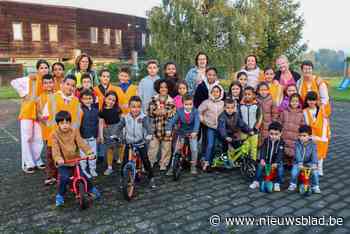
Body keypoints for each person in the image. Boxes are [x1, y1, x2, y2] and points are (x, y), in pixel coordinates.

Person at [52, 111, 100, 207]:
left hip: (75, 161)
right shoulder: (55, 134)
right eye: (62, 123)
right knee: (64, 178)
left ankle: (91, 189)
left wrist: (89, 152)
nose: (65, 125)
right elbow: (55, 149)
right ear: (58, 124)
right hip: (64, 162)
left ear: (70, 123)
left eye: (67, 123)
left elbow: (81, 143)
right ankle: (60, 195)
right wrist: (58, 158)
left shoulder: (74, 131)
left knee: (83, 176)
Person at [10, 59, 49, 173]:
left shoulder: (47, 81)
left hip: (40, 113)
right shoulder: (31, 78)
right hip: (27, 112)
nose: (44, 70)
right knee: (27, 138)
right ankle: (28, 163)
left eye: (46, 67)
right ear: (37, 69)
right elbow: (14, 82)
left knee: (38, 138)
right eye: (41, 68)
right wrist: (24, 94)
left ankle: (37, 160)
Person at [111, 96, 156, 188]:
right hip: (129, 143)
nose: (136, 109)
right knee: (124, 162)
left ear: (141, 107)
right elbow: (119, 127)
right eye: (133, 106)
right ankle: (123, 178)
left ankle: (151, 178)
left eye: (138, 107)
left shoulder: (143, 117)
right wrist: (115, 134)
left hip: (141, 142)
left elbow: (148, 128)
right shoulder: (125, 117)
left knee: (146, 161)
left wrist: (149, 135)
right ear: (129, 107)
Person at [166, 94, 200, 175]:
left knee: (194, 149)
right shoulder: (179, 111)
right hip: (181, 132)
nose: (188, 106)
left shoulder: (195, 111)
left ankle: (193, 166)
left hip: (192, 133)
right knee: (176, 150)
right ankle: (171, 167)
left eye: (190, 104)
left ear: (193, 104)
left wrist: (195, 131)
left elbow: (197, 122)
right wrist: (168, 129)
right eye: (186, 104)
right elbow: (172, 120)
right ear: (182, 104)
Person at [147, 79, 176, 171]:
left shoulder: (171, 101)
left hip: (167, 129)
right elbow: (150, 112)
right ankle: (150, 162)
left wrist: (162, 112)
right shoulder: (153, 99)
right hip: (155, 128)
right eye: (161, 87)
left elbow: (172, 114)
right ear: (158, 88)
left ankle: (163, 163)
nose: (163, 89)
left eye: (165, 87)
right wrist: (158, 112)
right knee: (152, 147)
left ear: (169, 89)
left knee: (166, 147)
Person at [249, 121, 285, 192]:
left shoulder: (281, 143)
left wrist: (276, 162)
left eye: (276, 134)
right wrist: (262, 159)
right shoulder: (266, 141)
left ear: (280, 134)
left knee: (280, 168)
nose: (273, 136)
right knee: (259, 166)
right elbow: (263, 150)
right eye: (271, 134)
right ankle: (256, 181)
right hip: (267, 160)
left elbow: (280, 154)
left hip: (276, 162)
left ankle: (278, 182)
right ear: (268, 133)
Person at [303, 91, 330, 176]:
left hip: (322, 134)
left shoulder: (321, 109)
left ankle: (320, 168)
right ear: (306, 101)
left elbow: (326, 120)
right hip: (311, 134)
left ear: (316, 101)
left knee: (321, 153)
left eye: (313, 100)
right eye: (309, 100)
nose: (311, 102)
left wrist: (328, 132)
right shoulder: (304, 111)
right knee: (312, 151)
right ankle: (313, 166)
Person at [198, 85, 225, 171]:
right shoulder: (207, 102)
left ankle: (217, 162)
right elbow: (199, 111)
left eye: (217, 91)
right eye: (213, 91)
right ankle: (206, 162)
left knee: (219, 145)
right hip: (210, 127)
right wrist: (203, 120)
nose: (215, 93)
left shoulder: (223, 103)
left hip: (220, 128)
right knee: (210, 144)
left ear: (220, 93)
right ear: (211, 92)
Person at [287, 125, 321, 194]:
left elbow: (314, 154)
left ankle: (315, 186)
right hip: (298, 162)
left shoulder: (313, 144)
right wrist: (299, 162)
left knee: (315, 172)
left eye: (304, 136)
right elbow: (297, 153)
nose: (301, 138)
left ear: (309, 136)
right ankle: (293, 183)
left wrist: (314, 163)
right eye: (300, 136)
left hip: (309, 162)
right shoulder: (297, 144)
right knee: (294, 172)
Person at [36, 74, 57, 184]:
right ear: (42, 85)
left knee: (59, 153)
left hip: (58, 130)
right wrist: (45, 122)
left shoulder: (58, 95)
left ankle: (59, 174)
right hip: (47, 130)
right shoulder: (39, 98)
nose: (48, 85)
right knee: (49, 154)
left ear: (54, 83)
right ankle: (50, 176)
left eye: (50, 82)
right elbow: (39, 114)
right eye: (46, 83)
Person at [98, 91, 122, 175]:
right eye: (109, 99)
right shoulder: (102, 111)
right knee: (110, 148)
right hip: (108, 131)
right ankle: (109, 167)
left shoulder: (118, 109)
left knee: (120, 146)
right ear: (105, 99)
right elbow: (101, 123)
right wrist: (101, 135)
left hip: (118, 129)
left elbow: (121, 120)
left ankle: (120, 160)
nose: (111, 101)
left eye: (113, 100)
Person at [279, 94, 305, 167]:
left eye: (296, 101)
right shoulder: (284, 112)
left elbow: (302, 126)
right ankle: (285, 162)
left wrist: (301, 136)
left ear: (299, 102)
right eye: (292, 101)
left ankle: (292, 163)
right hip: (285, 136)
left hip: (295, 137)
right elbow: (280, 123)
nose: (294, 103)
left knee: (294, 151)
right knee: (284, 150)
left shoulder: (301, 114)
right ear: (289, 102)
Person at [79, 89, 99, 178]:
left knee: (93, 154)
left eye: (90, 98)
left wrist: (98, 135)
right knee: (83, 155)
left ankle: (92, 169)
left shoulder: (95, 110)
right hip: (83, 137)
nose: (88, 100)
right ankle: (83, 170)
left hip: (93, 136)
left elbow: (98, 123)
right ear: (81, 100)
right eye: (85, 99)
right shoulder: (80, 110)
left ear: (93, 99)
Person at [239, 86, 262, 161]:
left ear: (253, 95)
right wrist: (243, 129)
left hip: (254, 132)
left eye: (249, 94)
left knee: (253, 148)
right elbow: (239, 119)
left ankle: (253, 163)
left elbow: (259, 118)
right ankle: (244, 163)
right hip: (244, 131)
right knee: (244, 147)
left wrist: (256, 128)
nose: (247, 96)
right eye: (245, 94)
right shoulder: (241, 106)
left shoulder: (257, 106)